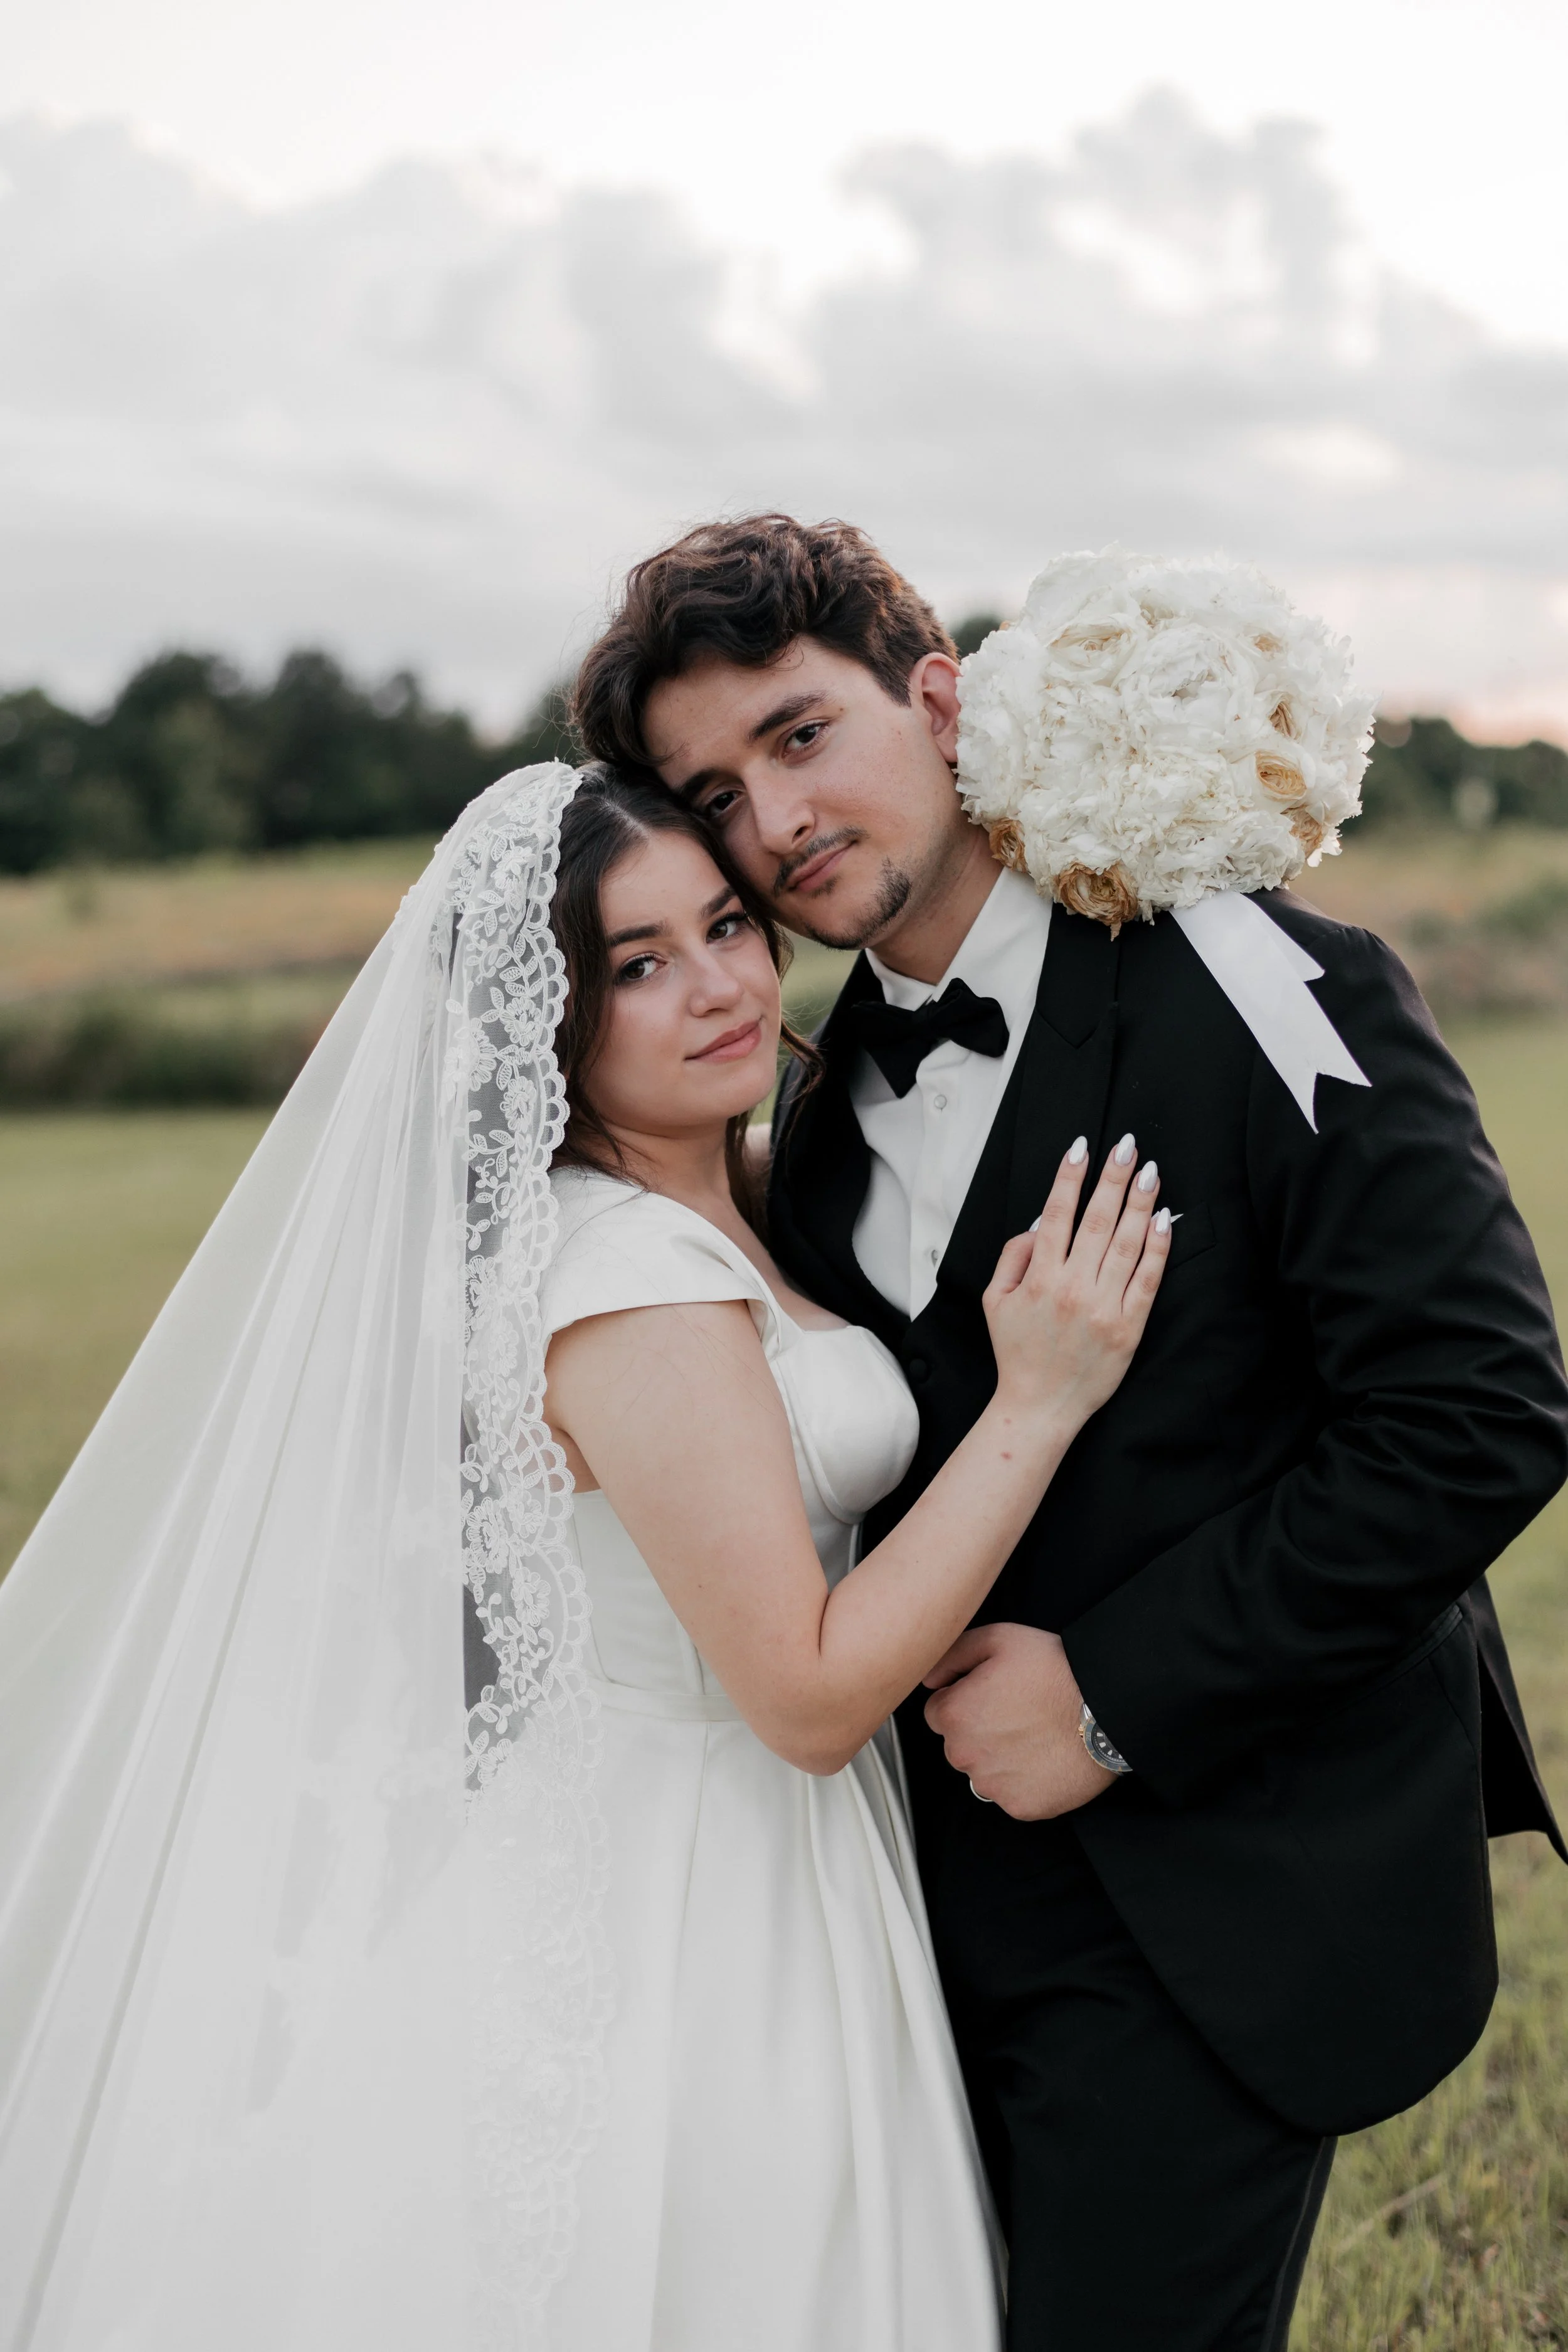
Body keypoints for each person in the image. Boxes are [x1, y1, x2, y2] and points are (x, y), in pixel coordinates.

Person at [0, 758, 1166, 2351]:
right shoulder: (628, 1280)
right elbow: (809, 1699)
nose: (718, 987)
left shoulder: (735, 1198)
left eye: (725, 927)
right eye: (635, 966)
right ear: (543, 1024)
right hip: (695, 1874)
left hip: (741, 1840)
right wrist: (1036, 1403)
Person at [571, 512, 1568, 2352]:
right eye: (713, 789)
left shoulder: (1269, 990)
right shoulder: (807, 1116)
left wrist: (1112, 1690)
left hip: (1215, 1878)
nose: (772, 819)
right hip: (903, 1915)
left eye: (802, 736)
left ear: (938, 696)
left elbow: (1477, 1414)